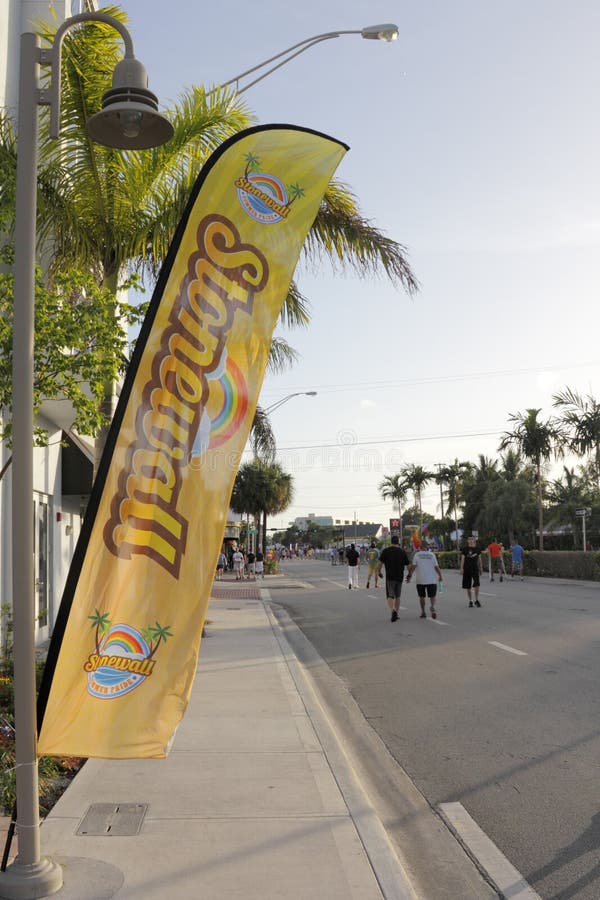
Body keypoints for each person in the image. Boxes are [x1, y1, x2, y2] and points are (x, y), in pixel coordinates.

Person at [377, 535, 410, 622]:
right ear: (398, 542)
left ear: (391, 542)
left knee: (390, 595)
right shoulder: (402, 552)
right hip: (400, 576)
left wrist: (379, 572)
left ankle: (393, 611)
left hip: (390, 577)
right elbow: (408, 565)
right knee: (398, 596)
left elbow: (379, 563)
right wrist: (409, 575)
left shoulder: (386, 551)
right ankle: (396, 613)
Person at [407, 545, 443, 619]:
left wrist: (409, 576)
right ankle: (432, 606)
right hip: (431, 580)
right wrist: (440, 575)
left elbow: (413, 567)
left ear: (420, 547)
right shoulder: (432, 555)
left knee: (421, 597)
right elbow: (436, 567)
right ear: (427, 547)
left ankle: (423, 612)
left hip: (420, 580)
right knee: (432, 596)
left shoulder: (417, 555)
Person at [460, 536, 483, 607]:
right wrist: (461, 568)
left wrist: (481, 568)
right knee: (468, 586)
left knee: (477, 584)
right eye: (469, 539)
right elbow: (463, 559)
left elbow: (480, 560)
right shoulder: (465, 549)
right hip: (467, 569)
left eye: (472, 539)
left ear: (474, 540)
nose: (471, 540)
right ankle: (470, 601)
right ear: (467, 541)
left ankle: (476, 600)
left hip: (475, 569)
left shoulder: (478, 549)